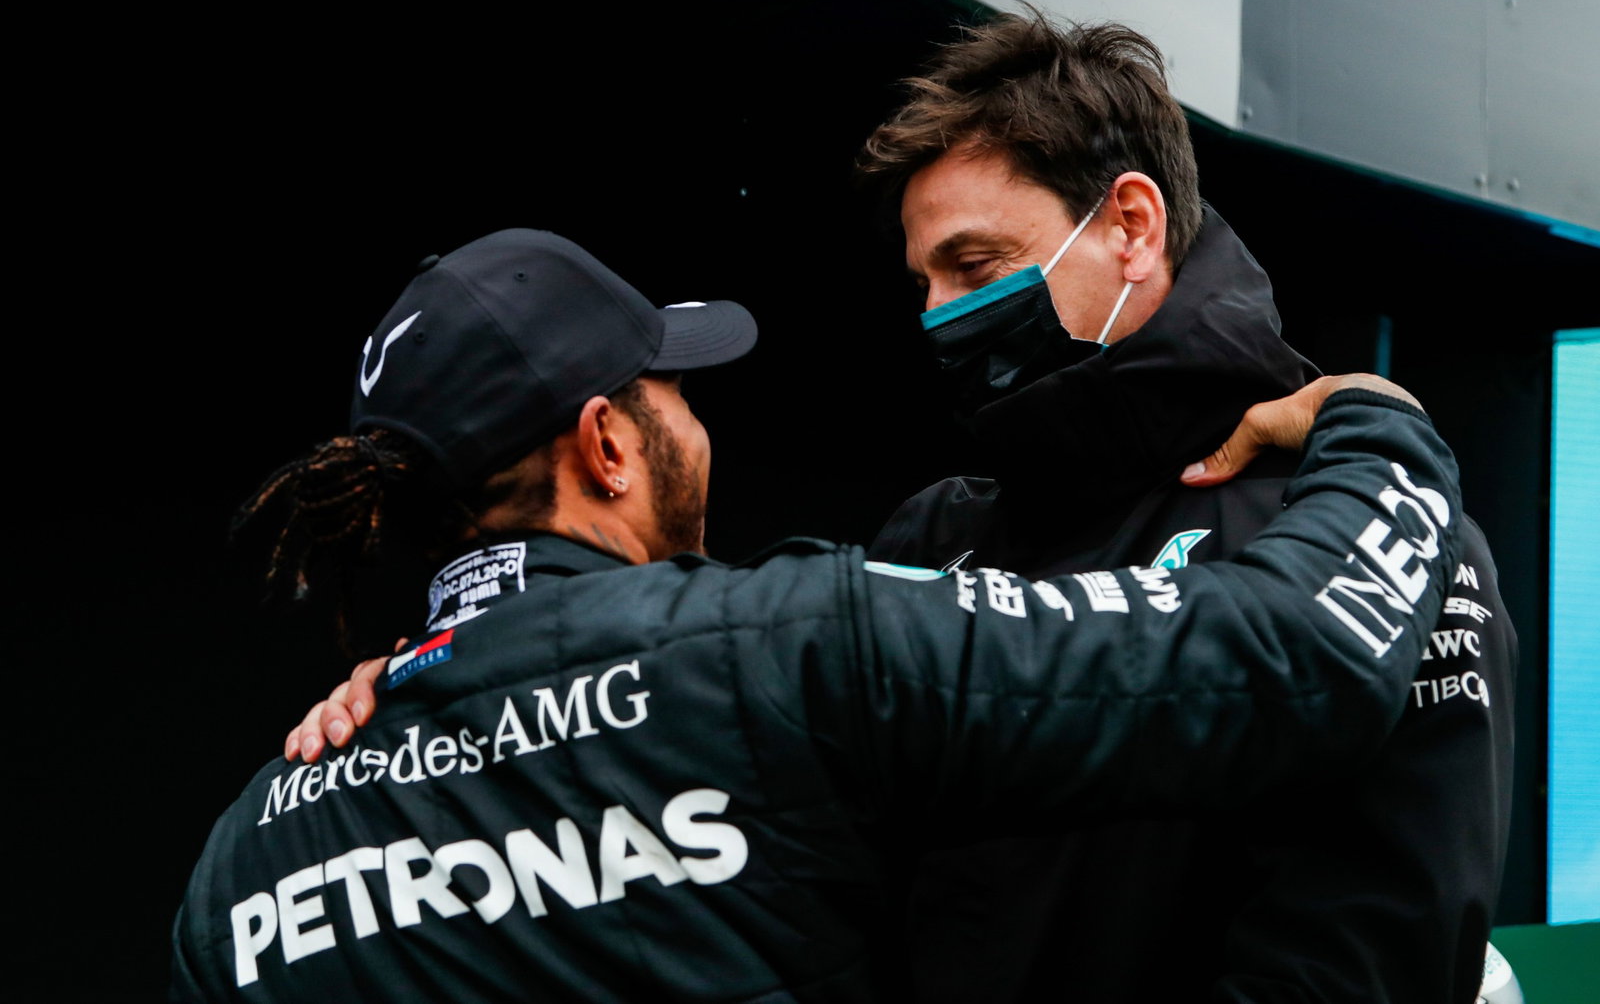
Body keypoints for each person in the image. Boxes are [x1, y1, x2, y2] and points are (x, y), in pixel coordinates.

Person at [174, 227, 1464, 1002]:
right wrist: (1381, 436)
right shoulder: (773, 648)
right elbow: (1298, 653)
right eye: (672, 387)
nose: (697, 416)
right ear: (608, 445)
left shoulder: (242, 859)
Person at [854, 11, 1516, 1003]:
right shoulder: (933, 536)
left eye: (974, 266)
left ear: (1131, 224)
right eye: (924, 283)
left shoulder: (1368, 524)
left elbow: (1370, 951)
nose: (937, 314)